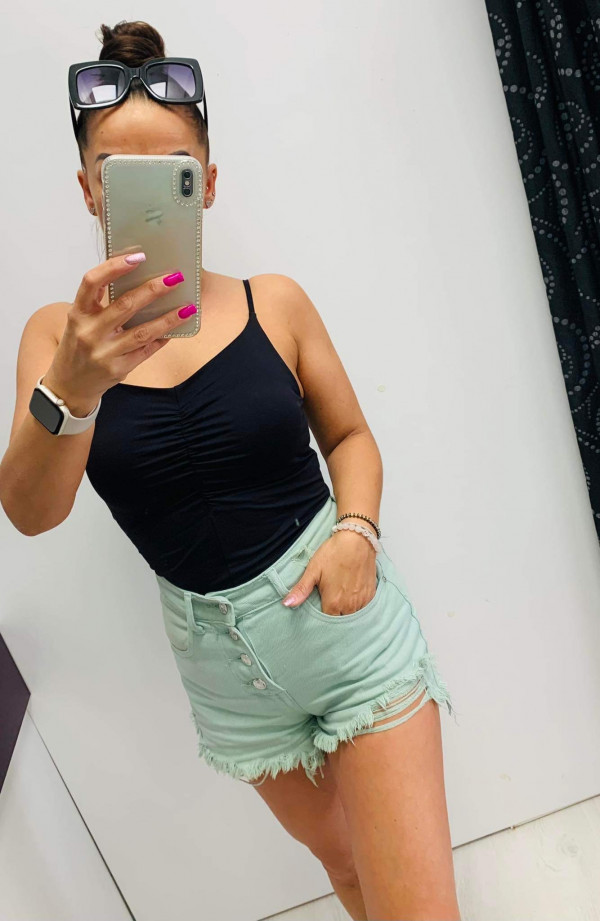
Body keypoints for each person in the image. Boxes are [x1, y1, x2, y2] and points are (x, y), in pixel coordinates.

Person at [0, 19, 461, 921]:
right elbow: (30, 511)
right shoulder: (55, 340)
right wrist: (73, 387)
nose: (143, 194)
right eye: (117, 176)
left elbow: (351, 437)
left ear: (206, 183)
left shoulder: (274, 303)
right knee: (349, 868)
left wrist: (358, 531)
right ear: (88, 191)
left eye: (170, 172)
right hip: (226, 676)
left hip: (346, 629)